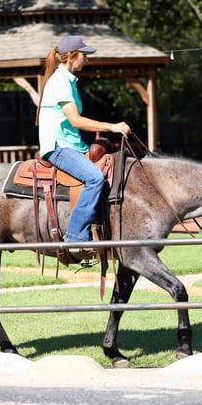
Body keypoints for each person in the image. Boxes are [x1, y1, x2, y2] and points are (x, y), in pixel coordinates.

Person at [36, 35, 131, 252]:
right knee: (95, 178)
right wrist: (112, 127)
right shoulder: (60, 82)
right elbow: (75, 120)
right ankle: (75, 236)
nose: (86, 59)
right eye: (84, 55)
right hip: (58, 146)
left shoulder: (68, 80)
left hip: (71, 145)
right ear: (71, 56)